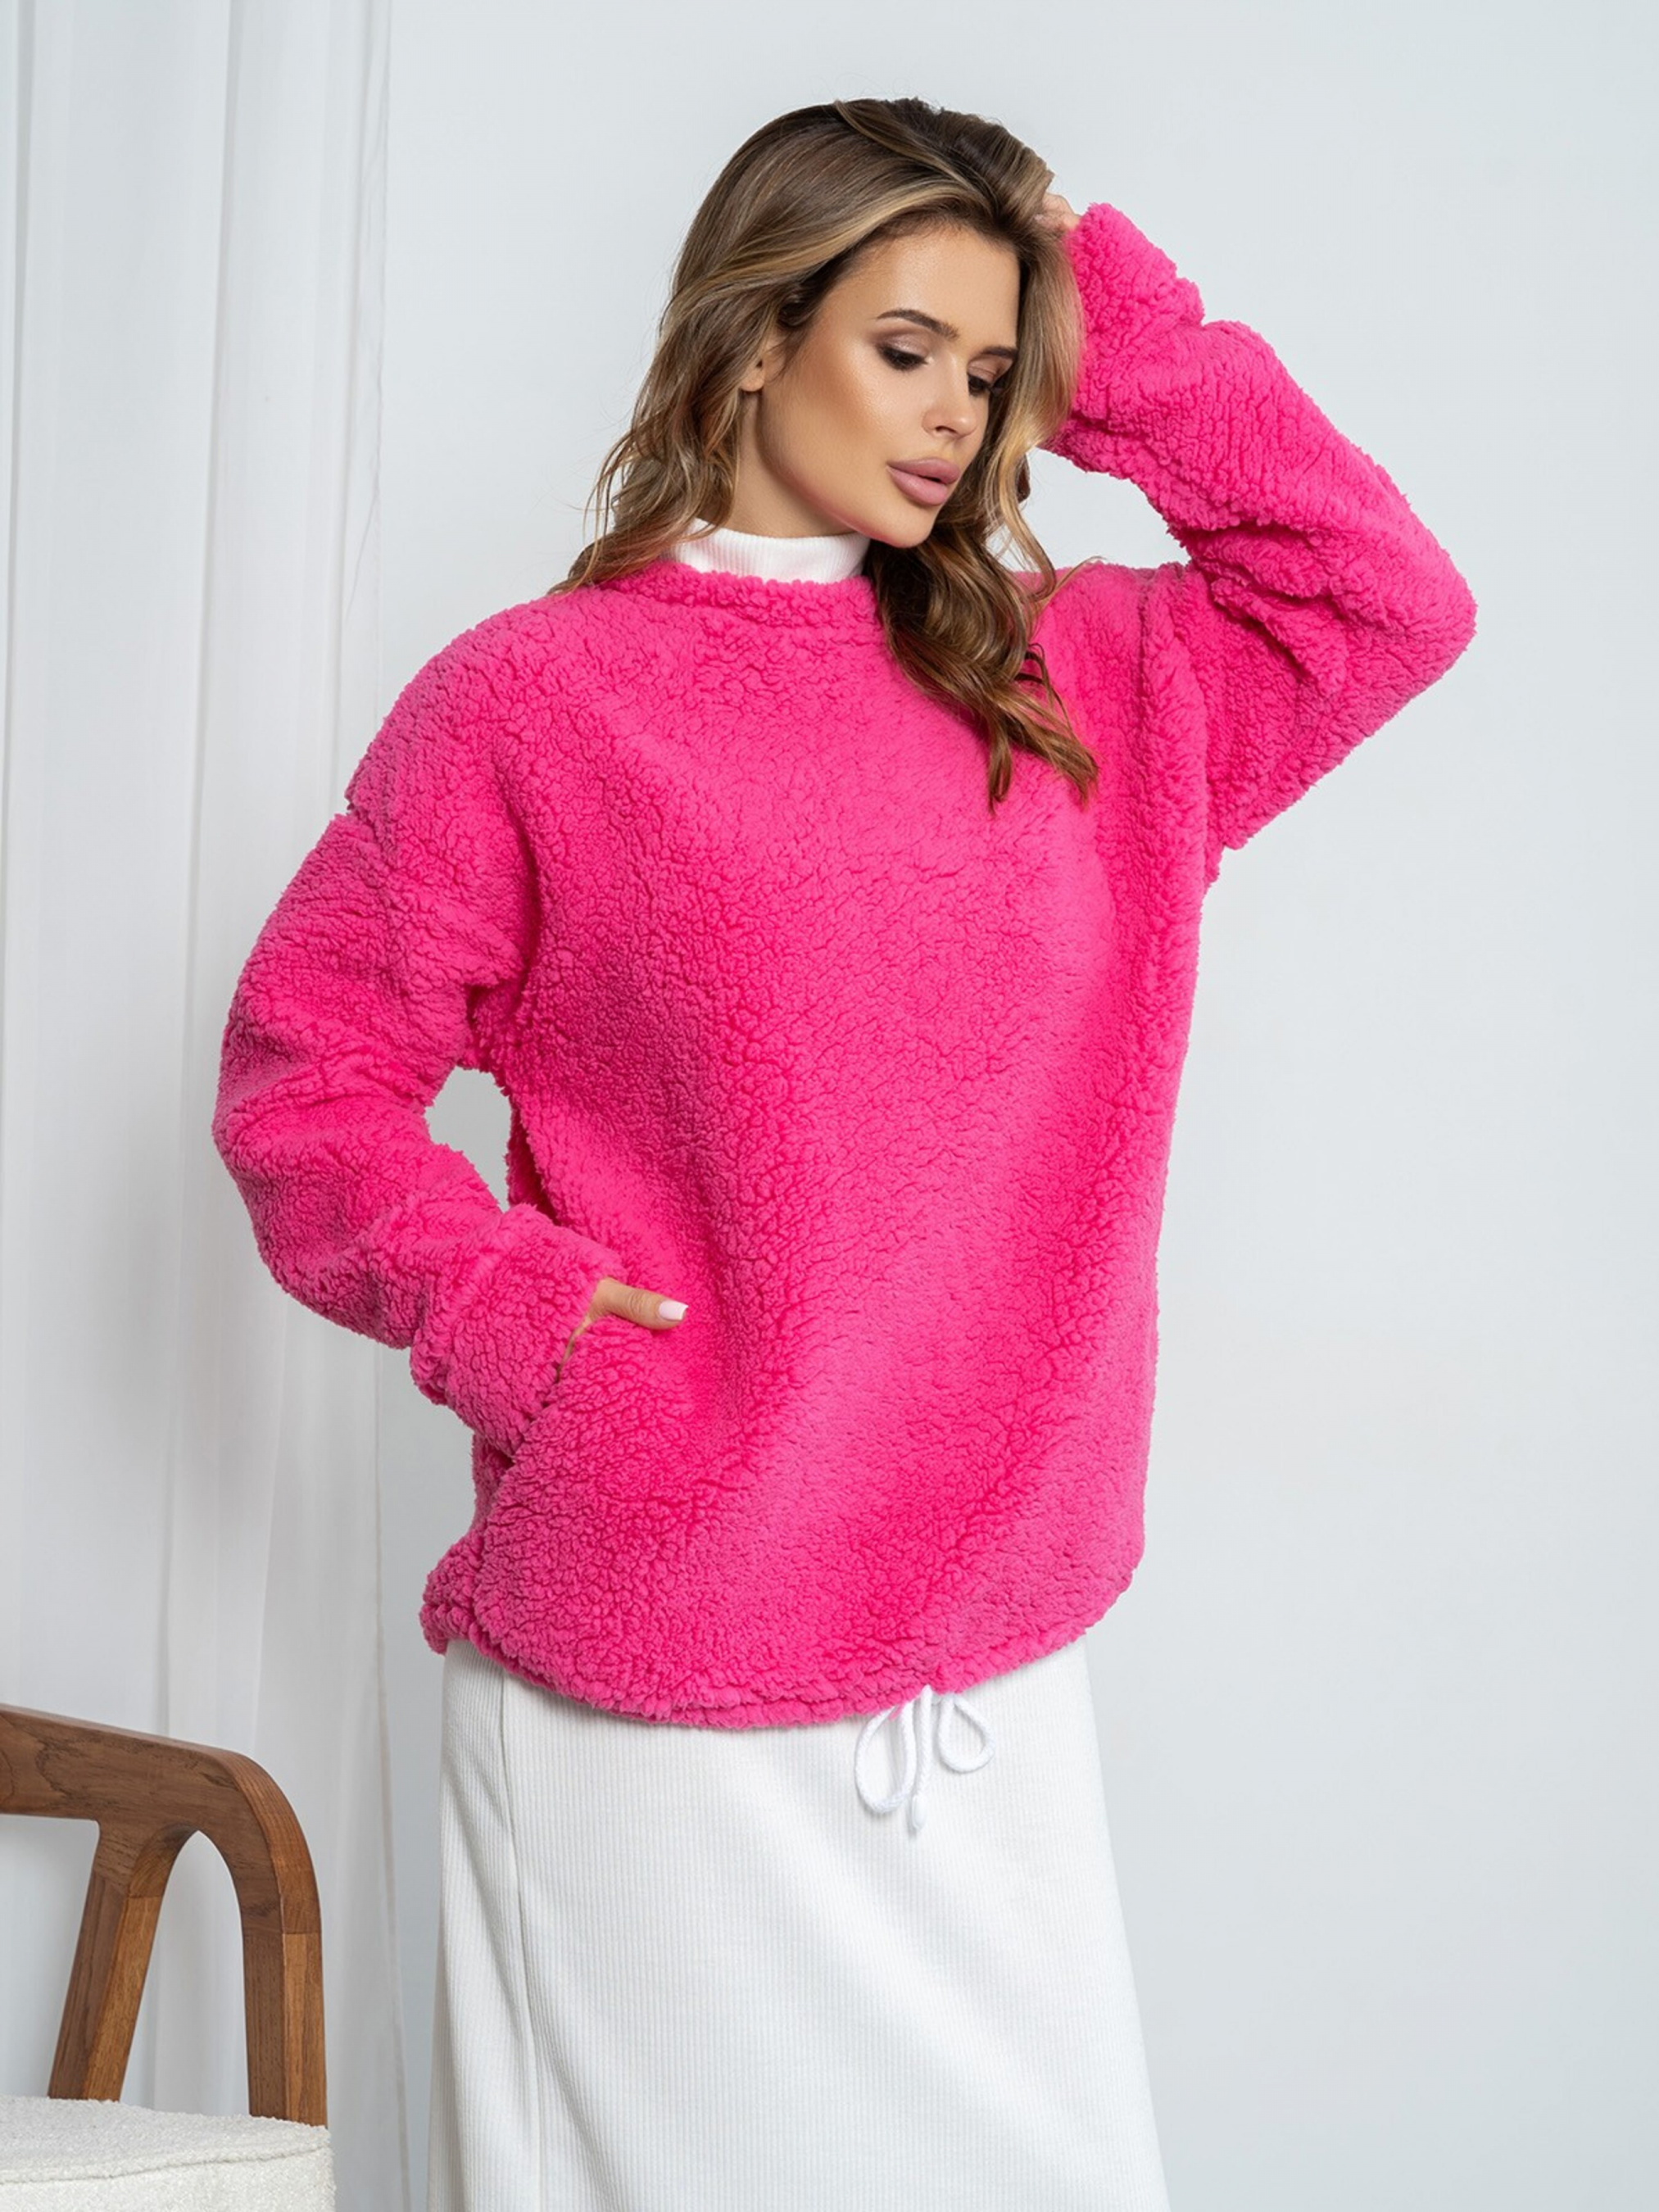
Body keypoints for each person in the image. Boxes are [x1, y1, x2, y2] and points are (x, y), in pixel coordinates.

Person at [211, 94, 1476, 2212]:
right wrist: (517, 1316)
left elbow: (1379, 598)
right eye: (906, 349)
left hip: (986, 1650)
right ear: (749, 339)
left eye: (992, 368)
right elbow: (303, 1080)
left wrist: (1109, 314)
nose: (958, 414)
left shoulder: (1085, 683)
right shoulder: (536, 704)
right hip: (656, 1650)